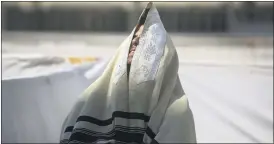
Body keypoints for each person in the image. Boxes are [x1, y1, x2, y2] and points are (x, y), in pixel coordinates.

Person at [60, 2, 196, 144]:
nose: (136, 41)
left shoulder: (176, 113)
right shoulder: (86, 102)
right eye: (134, 38)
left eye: (146, 40)